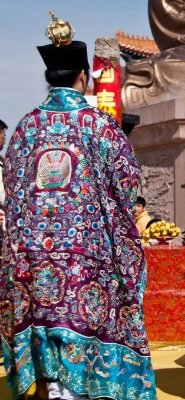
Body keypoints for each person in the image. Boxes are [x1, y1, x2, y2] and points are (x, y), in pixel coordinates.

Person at [0, 14, 156, 400]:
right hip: (86, 254)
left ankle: (53, 384)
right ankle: (70, 387)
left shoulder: (26, 128)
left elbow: (13, 186)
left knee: (44, 318)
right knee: (82, 317)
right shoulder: (100, 126)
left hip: (33, 256)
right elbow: (126, 183)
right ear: (84, 77)